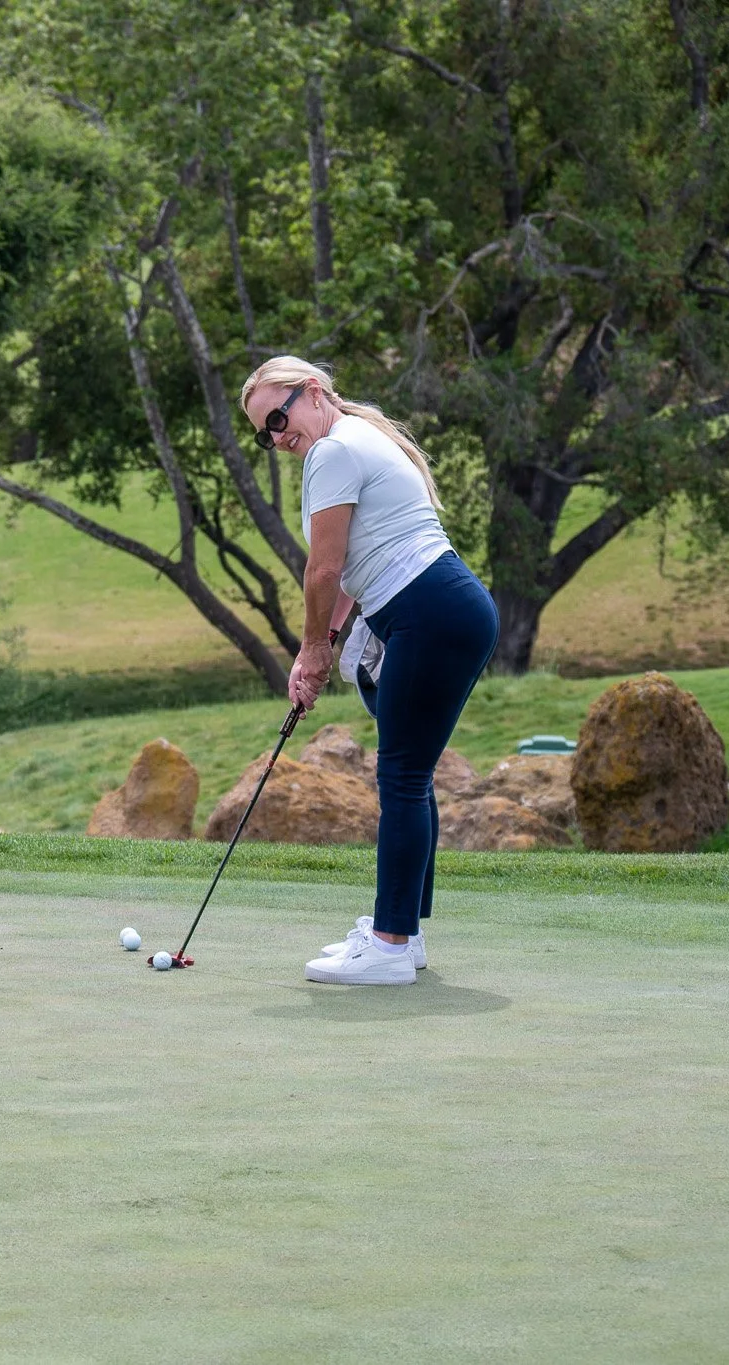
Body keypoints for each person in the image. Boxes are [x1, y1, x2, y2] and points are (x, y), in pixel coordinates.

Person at [239, 357, 498, 986]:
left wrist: (311, 653)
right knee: (412, 772)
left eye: (279, 419)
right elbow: (353, 571)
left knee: (401, 775)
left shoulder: (333, 451)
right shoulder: (357, 438)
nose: (277, 438)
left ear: (313, 392)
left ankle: (388, 945)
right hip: (445, 609)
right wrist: (324, 642)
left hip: (429, 612)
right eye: (265, 434)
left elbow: (324, 570)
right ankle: (402, 933)